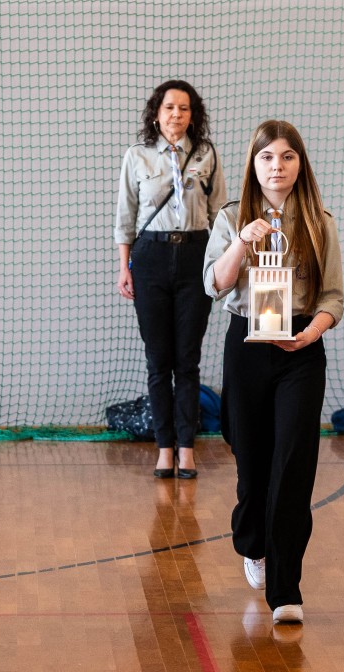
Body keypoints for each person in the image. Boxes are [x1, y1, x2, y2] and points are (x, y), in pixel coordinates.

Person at [203, 120, 344, 624]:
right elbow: (214, 284)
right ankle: (252, 542)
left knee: (293, 463)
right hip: (247, 345)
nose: (277, 166)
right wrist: (241, 241)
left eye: (287, 157)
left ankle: (287, 588)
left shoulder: (320, 222)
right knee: (252, 460)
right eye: (267, 157)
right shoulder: (230, 216)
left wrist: (310, 334)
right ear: (253, 164)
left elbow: (333, 297)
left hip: (300, 349)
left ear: (299, 164)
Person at [115, 80, 227, 478]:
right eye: (169, 108)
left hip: (196, 255)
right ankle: (164, 448)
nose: (176, 114)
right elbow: (125, 218)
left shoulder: (206, 154)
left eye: (184, 108)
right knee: (159, 360)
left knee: (188, 359)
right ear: (156, 114)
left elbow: (220, 215)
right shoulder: (138, 155)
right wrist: (124, 267)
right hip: (150, 258)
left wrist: (220, 266)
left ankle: (186, 449)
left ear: (193, 115)